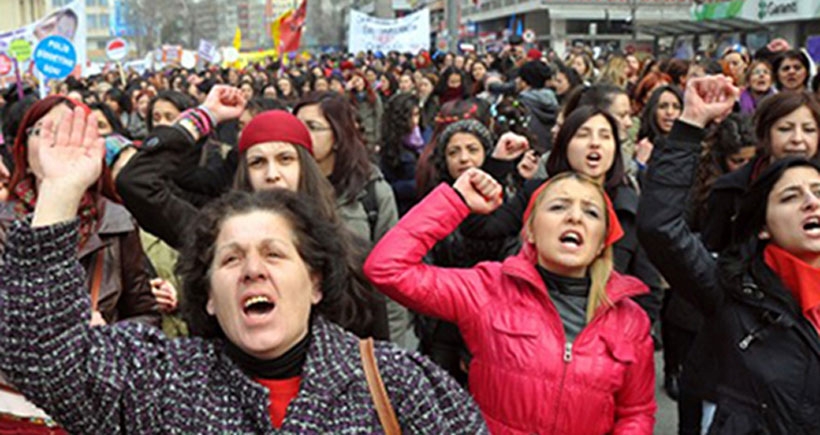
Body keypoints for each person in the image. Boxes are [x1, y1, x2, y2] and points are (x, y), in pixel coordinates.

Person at [0, 106, 488, 433]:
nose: (253, 269)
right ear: (208, 295)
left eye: (275, 254)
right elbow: (45, 358)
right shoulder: (163, 381)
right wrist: (60, 192)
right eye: (231, 259)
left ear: (316, 281)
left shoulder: (400, 385)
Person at [365, 163, 656, 433]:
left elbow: (636, 413)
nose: (575, 217)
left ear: (601, 242)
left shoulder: (630, 320)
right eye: (558, 206)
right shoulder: (488, 290)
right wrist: (455, 201)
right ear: (529, 230)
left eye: (591, 212)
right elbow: (387, 268)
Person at [117, 86, 388, 341]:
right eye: (258, 162)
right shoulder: (216, 238)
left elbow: (374, 351)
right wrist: (204, 116)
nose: (272, 175)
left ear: (305, 168)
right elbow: (137, 182)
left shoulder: (351, 254)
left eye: (285, 159)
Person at [638, 74, 820, 434]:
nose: (811, 202)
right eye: (790, 197)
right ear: (762, 226)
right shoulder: (734, 289)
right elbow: (661, 227)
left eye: (818, 191)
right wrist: (690, 125)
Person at [0, 97, 160, 431]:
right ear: (22, 152)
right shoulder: (4, 226)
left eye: (71, 130)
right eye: (43, 131)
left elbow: (145, 314)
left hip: (96, 399)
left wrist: (107, 340)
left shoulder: (116, 221)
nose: (59, 142)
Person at [293, 92, 416, 350]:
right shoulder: (285, 188)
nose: (302, 136)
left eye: (313, 127)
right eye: (297, 127)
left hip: (358, 333)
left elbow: (391, 281)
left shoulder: (372, 192)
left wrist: (395, 351)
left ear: (337, 136)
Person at [700, 91, 820, 252]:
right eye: (785, 129)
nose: (797, 138)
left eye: (809, 130)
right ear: (765, 134)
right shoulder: (731, 189)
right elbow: (713, 249)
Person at [380, 93, 422, 216]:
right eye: (410, 116)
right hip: (403, 210)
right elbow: (388, 187)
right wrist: (417, 185)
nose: (415, 121)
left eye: (417, 114)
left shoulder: (423, 135)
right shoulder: (391, 146)